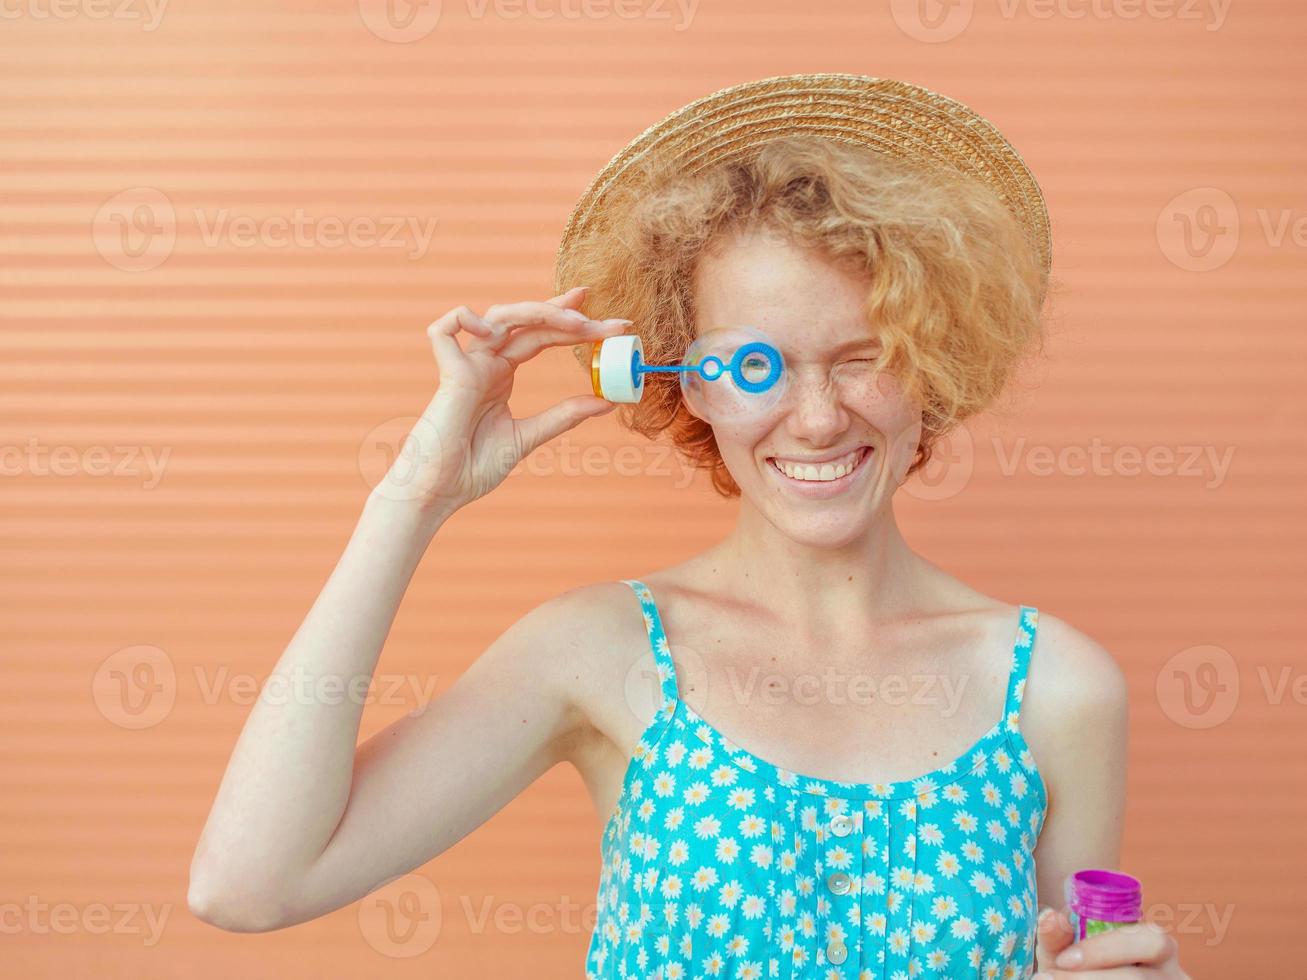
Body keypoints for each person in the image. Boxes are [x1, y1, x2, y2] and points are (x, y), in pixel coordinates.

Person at [189, 75, 1190, 980]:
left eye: (863, 355)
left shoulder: (1058, 683)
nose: (813, 417)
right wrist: (414, 495)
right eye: (752, 364)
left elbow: (1086, 954)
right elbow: (248, 883)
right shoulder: (600, 648)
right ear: (682, 378)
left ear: (933, 365)